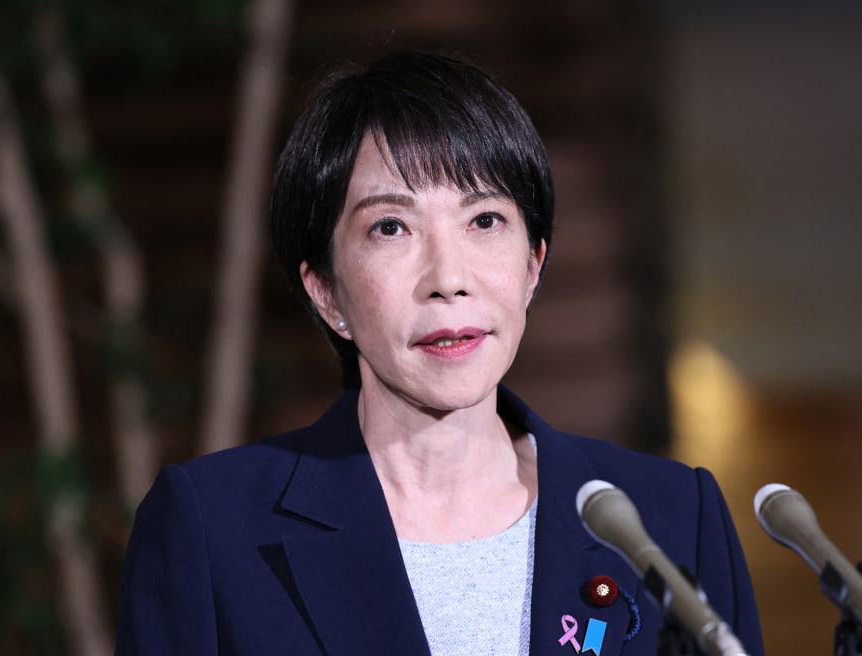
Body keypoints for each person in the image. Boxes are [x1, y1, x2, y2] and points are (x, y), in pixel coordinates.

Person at [115, 51, 764, 655]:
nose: (447, 277)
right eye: (390, 227)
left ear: (533, 266)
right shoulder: (212, 527)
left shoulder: (673, 517)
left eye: (484, 220)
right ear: (327, 293)